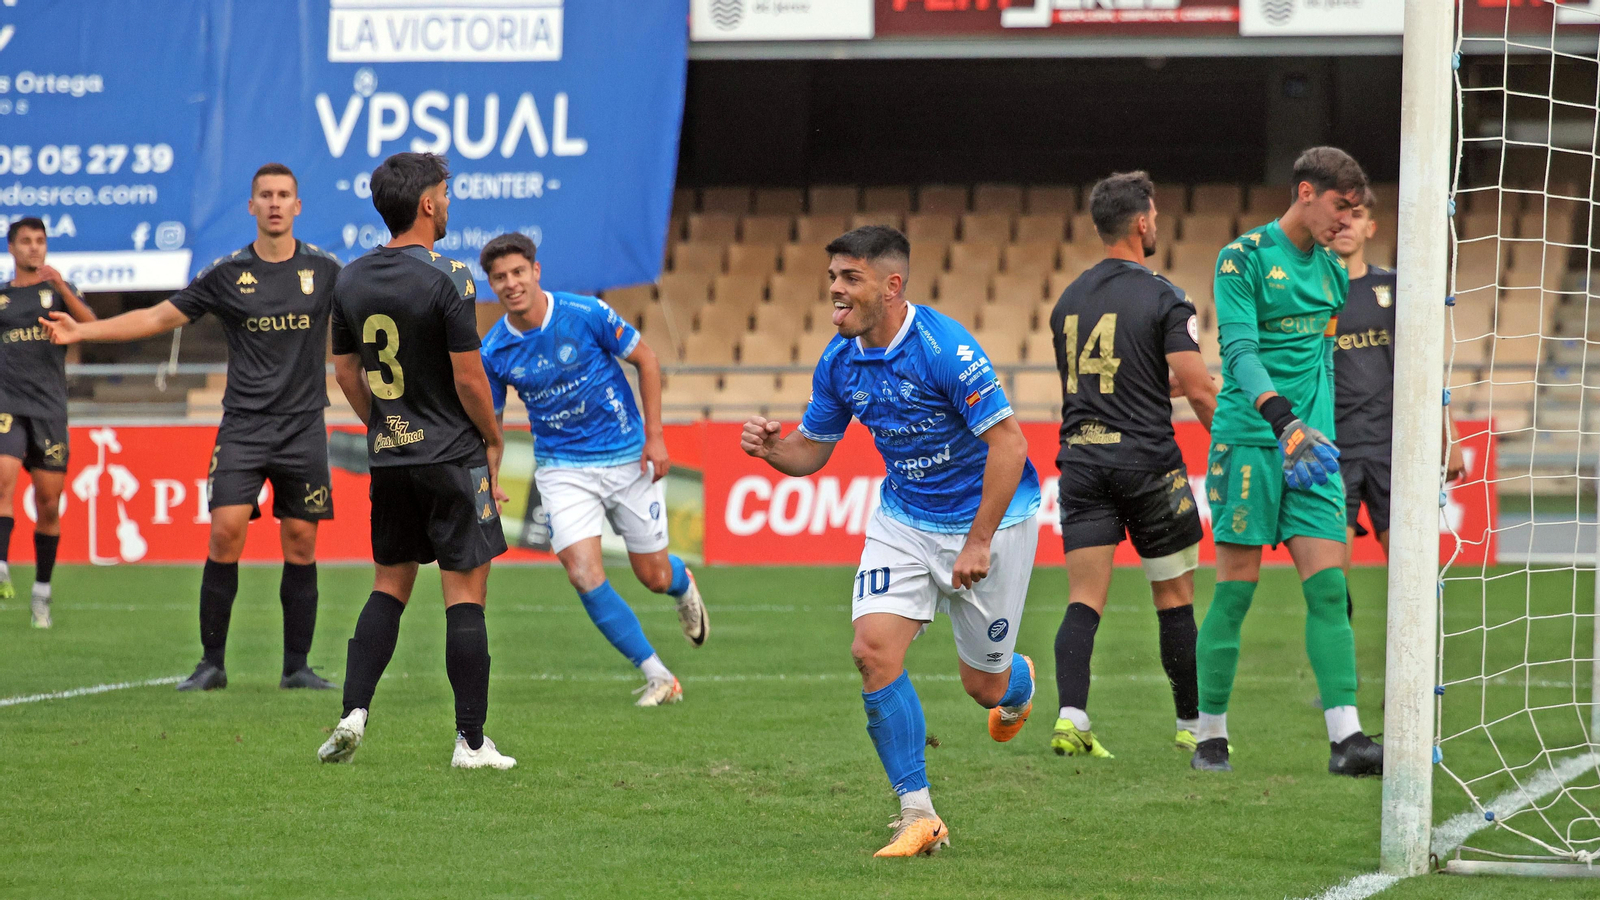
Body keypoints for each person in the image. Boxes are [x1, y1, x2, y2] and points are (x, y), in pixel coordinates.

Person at [740, 225, 1041, 857]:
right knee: (872, 651)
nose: (835, 293)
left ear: (892, 285)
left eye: (850, 279)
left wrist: (979, 541)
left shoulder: (945, 350)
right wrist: (773, 450)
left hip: (990, 522)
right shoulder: (839, 358)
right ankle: (918, 812)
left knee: (982, 688)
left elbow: (1009, 446)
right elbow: (812, 451)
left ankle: (1017, 681)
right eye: (832, 279)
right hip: (903, 520)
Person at [44, 164, 340, 689]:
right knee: (226, 533)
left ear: (298, 205)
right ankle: (212, 664)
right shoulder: (226, 274)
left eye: (284, 195)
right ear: (251, 206)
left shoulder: (326, 270)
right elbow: (157, 318)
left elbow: (376, 313)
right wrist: (84, 329)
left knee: (300, 541)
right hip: (244, 428)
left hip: (303, 429)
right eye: (265, 195)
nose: (274, 203)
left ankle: (297, 667)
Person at [314, 152, 514, 770]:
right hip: (453, 455)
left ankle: (352, 713)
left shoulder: (349, 278)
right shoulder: (451, 275)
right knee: (465, 595)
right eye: (446, 193)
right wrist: (494, 437)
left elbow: (345, 370)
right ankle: (471, 744)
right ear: (427, 203)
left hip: (391, 458)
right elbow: (469, 377)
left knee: (388, 585)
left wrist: (384, 423)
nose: (449, 203)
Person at [1193, 146, 1383, 777]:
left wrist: (1319, 433)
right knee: (1235, 592)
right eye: (1339, 207)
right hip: (1252, 441)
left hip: (1314, 452)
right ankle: (1210, 736)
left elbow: (1322, 367)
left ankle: (1347, 740)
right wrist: (1285, 422)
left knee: (1329, 589)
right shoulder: (1241, 259)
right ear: (1306, 192)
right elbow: (1241, 353)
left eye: (1356, 212)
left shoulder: (1332, 272)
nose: (1346, 222)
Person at [477, 233, 708, 707]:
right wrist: (490, 476)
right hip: (563, 470)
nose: (511, 283)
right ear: (491, 286)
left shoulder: (586, 313)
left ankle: (682, 585)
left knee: (655, 576)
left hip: (626, 457)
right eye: (499, 278)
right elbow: (492, 424)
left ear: (536, 271)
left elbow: (646, 359)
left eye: (518, 272)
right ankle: (659, 676)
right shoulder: (495, 350)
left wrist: (656, 435)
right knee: (582, 573)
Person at [1046, 172, 1217, 760]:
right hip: (1147, 464)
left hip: (1082, 463)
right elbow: (1197, 390)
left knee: (1083, 599)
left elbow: (1110, 383)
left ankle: (1071, 718)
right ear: (1142, 222)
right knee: (1174, 599)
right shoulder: (1164, 294)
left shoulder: (1067, 299)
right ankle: (1193, 726)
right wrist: (1230, 444)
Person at [1330, 193, 1465, 594]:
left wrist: (1449, 435)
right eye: (1340, 215)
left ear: (1370, 228)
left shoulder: (1394, 288)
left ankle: (1417, 659)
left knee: (1415, 582)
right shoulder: (1310, 296)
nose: (1347, 224)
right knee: (1331, 585)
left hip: (1396, 451)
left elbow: (1425, 367)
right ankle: (1341, 659)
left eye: (1357, 216)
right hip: (1334, 450)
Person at [1, 217, 96, 627]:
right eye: (26, 241)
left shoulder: (58, 293)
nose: (34, 248)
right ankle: (1, 564)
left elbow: (93, 327)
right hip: (7, 403)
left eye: (40, 241)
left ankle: (42, 589)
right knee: (2, 479)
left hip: (49, 409)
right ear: (12, 247)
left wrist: (60, 287)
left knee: (48, 505)